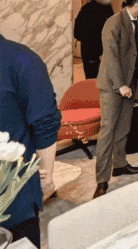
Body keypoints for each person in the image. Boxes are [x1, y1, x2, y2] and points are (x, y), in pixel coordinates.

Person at [0, 35, 61, 248]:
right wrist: (46, 179)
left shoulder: (21, 60)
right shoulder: (22, 59)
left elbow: (45, 124)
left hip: (12, 200)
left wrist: (45, 176)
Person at [94, 0, 138, 199]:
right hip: (112, 86)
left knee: (123, 127)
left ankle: (119, 164)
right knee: (108, 131)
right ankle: (101, 180)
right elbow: (110, 57)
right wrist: (121, 85)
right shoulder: (113, 22)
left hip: (130, 84)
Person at [74, 0, 114, 79]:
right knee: (93, 82)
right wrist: (98, 52)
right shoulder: (87, 10)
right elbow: (77, 33)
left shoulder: (107, 8)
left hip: (107, 53)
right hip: (91, 56)